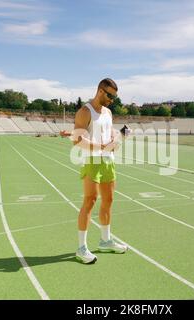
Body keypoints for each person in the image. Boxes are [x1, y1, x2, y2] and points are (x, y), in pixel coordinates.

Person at [64, 78, 128, 264]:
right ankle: (81, 248)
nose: (112, 100)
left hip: (108, 161)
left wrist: (117, 139)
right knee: (90, 201)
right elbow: (78, 140)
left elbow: (110, 134)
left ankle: (105, 241)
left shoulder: (108, 112)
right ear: (100, 91)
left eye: (114, 96)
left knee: (108, 200)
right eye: (109, 95)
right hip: (92, 161)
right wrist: (101, 146)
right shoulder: (85, 111)